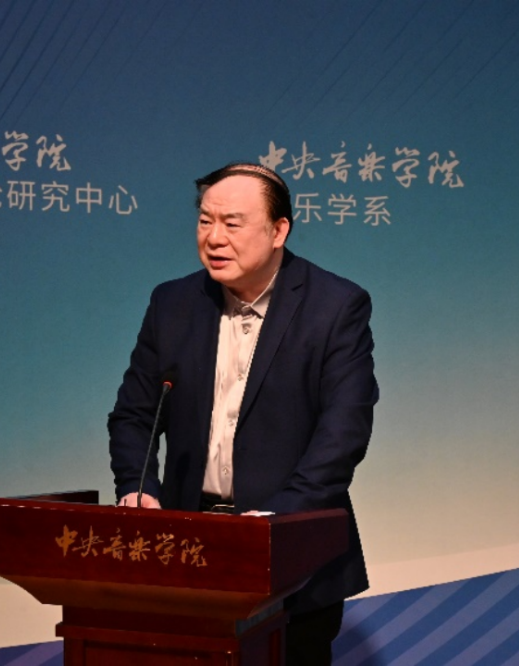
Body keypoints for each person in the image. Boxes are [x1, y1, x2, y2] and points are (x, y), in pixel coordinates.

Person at [108, 162, 378, 665]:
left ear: (279, 231)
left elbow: (343, 433)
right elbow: (134, 414)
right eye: (205, 221)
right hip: (189, 556)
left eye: (232, 223)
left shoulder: (336, 306)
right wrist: (137, 486)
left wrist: (277, 520)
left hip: (294, 565)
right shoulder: (173, 303)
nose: (214, 238)